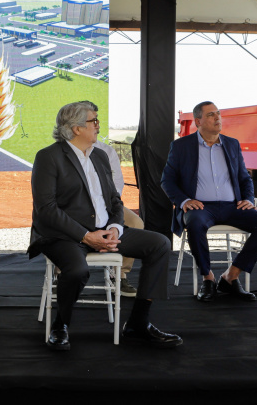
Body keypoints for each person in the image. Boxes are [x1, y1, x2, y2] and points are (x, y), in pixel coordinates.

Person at [29, 101, 181, 351]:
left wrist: (115, 229)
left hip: (105, 231)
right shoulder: (49, 157)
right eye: (94, 121)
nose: (98, 125)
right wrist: (86, 236)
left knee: (160, 244)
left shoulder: (99, 155)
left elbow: (114, 200)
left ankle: (138, 323)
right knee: (77, 270)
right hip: (65, 236)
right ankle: (60, 325)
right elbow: (46, 210)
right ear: (76, 128)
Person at [161, 101, 257, 302]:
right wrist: (184, 200)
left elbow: (244, 178)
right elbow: (167, 181)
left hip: (232, 206)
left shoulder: (231, 144)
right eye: (211, 115)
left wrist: (248, 199)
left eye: (218, 114)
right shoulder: (181, 146)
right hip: (201, 207)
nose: (217, 118)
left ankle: (230, 277)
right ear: (198, 121)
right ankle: (208, 278)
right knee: (195, 223)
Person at [81, 101, 142, 297]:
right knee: (63, 223)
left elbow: (117, 185)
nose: (97, 125)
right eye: (93, 120)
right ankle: (59, 273)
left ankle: (120, 274)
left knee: (136, 223)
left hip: (107, 207)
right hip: (77, 209)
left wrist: (109, 212)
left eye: (97, 119)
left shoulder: (106, 151)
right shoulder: (59, 152)